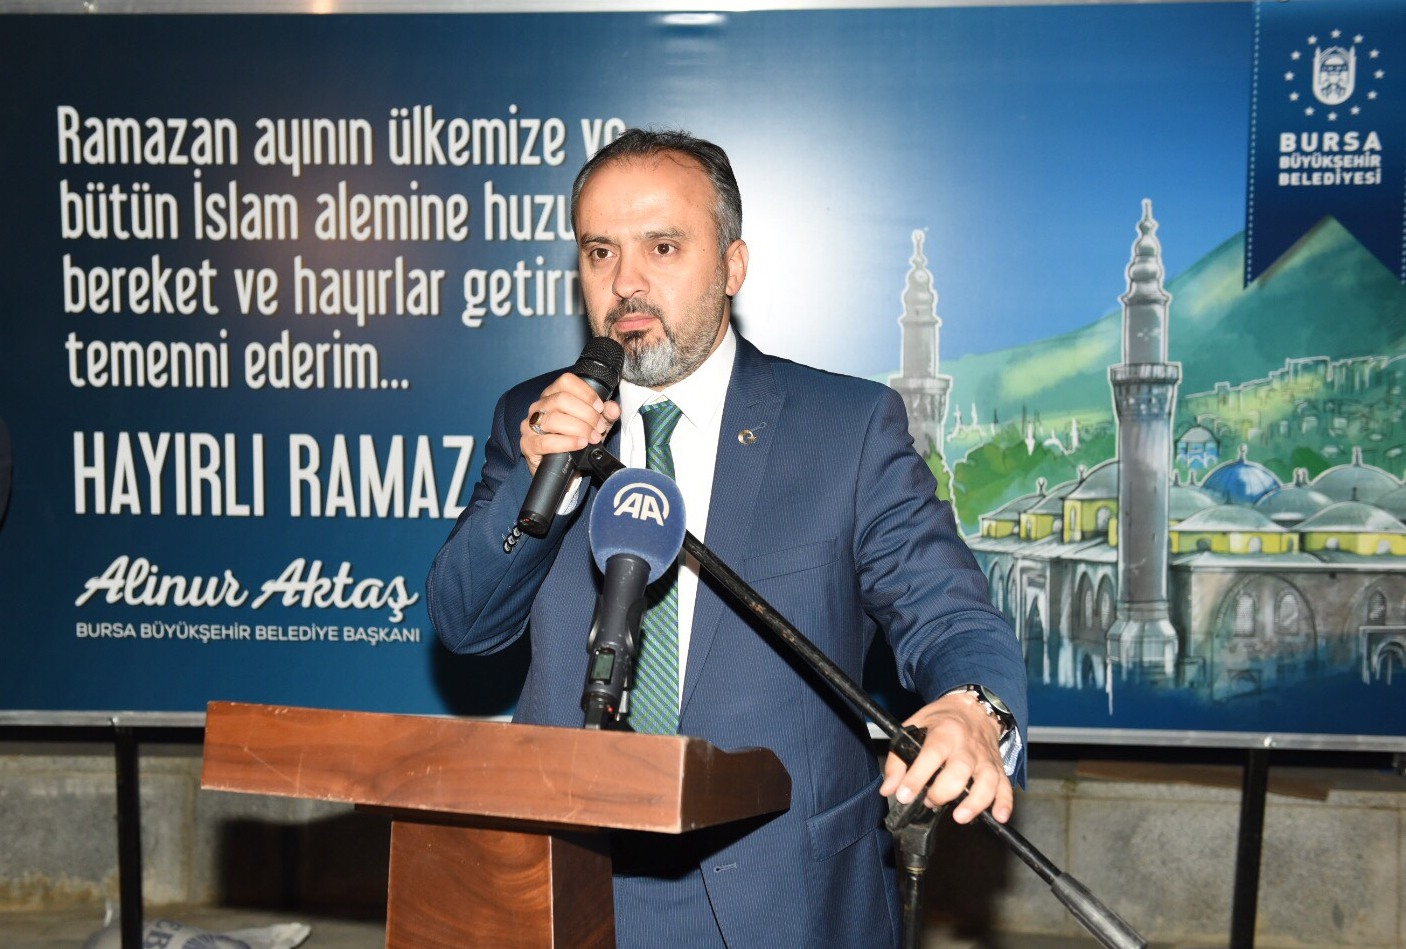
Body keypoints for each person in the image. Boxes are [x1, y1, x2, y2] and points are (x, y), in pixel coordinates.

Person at [427, 128, 1027, 949]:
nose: (626, 282)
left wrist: (974, 710)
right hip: (571, 887)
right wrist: (540, 480)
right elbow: (466, 623)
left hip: (783, 896)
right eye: (600, 252)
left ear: (732, 266)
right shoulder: (532, 418)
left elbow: (949, 616)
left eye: (662, 247)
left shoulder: (846, 429)